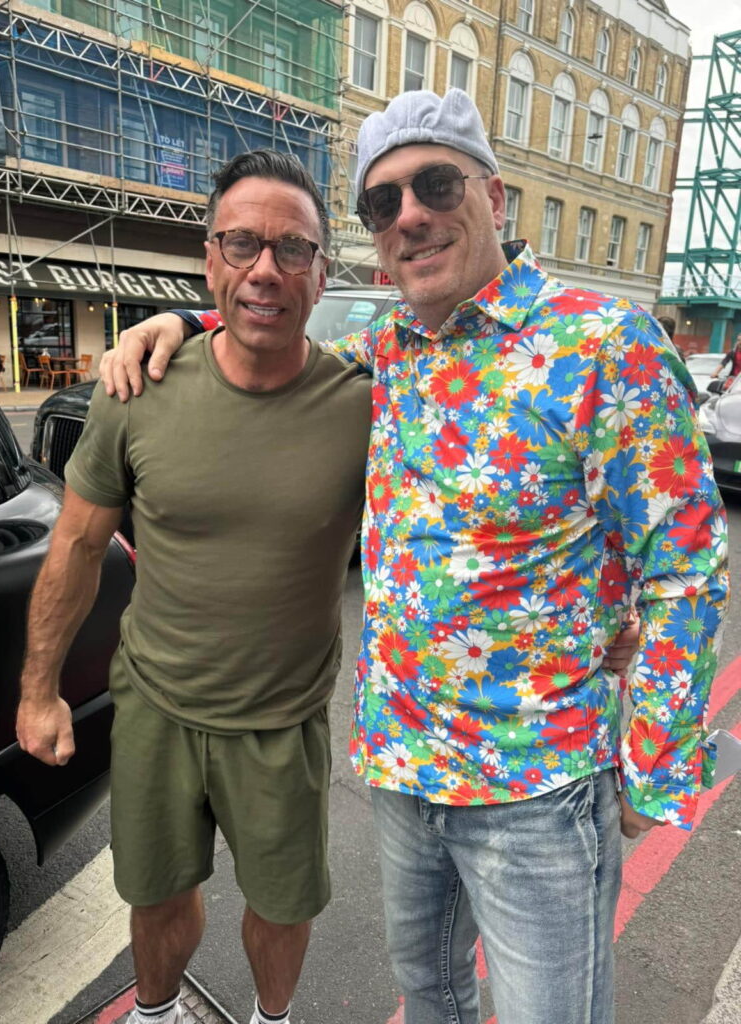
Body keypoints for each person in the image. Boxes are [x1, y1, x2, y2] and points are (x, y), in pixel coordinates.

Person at [100, 89, 728, 1024]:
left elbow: (684, 567)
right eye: (382, 202)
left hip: (537, 788)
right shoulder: (386, 350)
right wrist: (184, 325)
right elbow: (268, 329)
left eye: (436, 184)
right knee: (433, 997)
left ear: (494, 197)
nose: (410, 216)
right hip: (402, 769)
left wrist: (654, 762)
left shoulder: (604, 345)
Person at [16, 150, 373, 1024]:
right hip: (157, 709)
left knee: (284, 907)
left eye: (293, 248)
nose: (266, 268)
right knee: (156, 895)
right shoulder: (138, 389)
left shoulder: (367, 402)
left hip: (283, 724)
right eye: (242, 243)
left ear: (321, 271)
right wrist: (39, 691)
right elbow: (76, 546)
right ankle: (157, 1013)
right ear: (209, 258)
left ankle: (271, 1020)